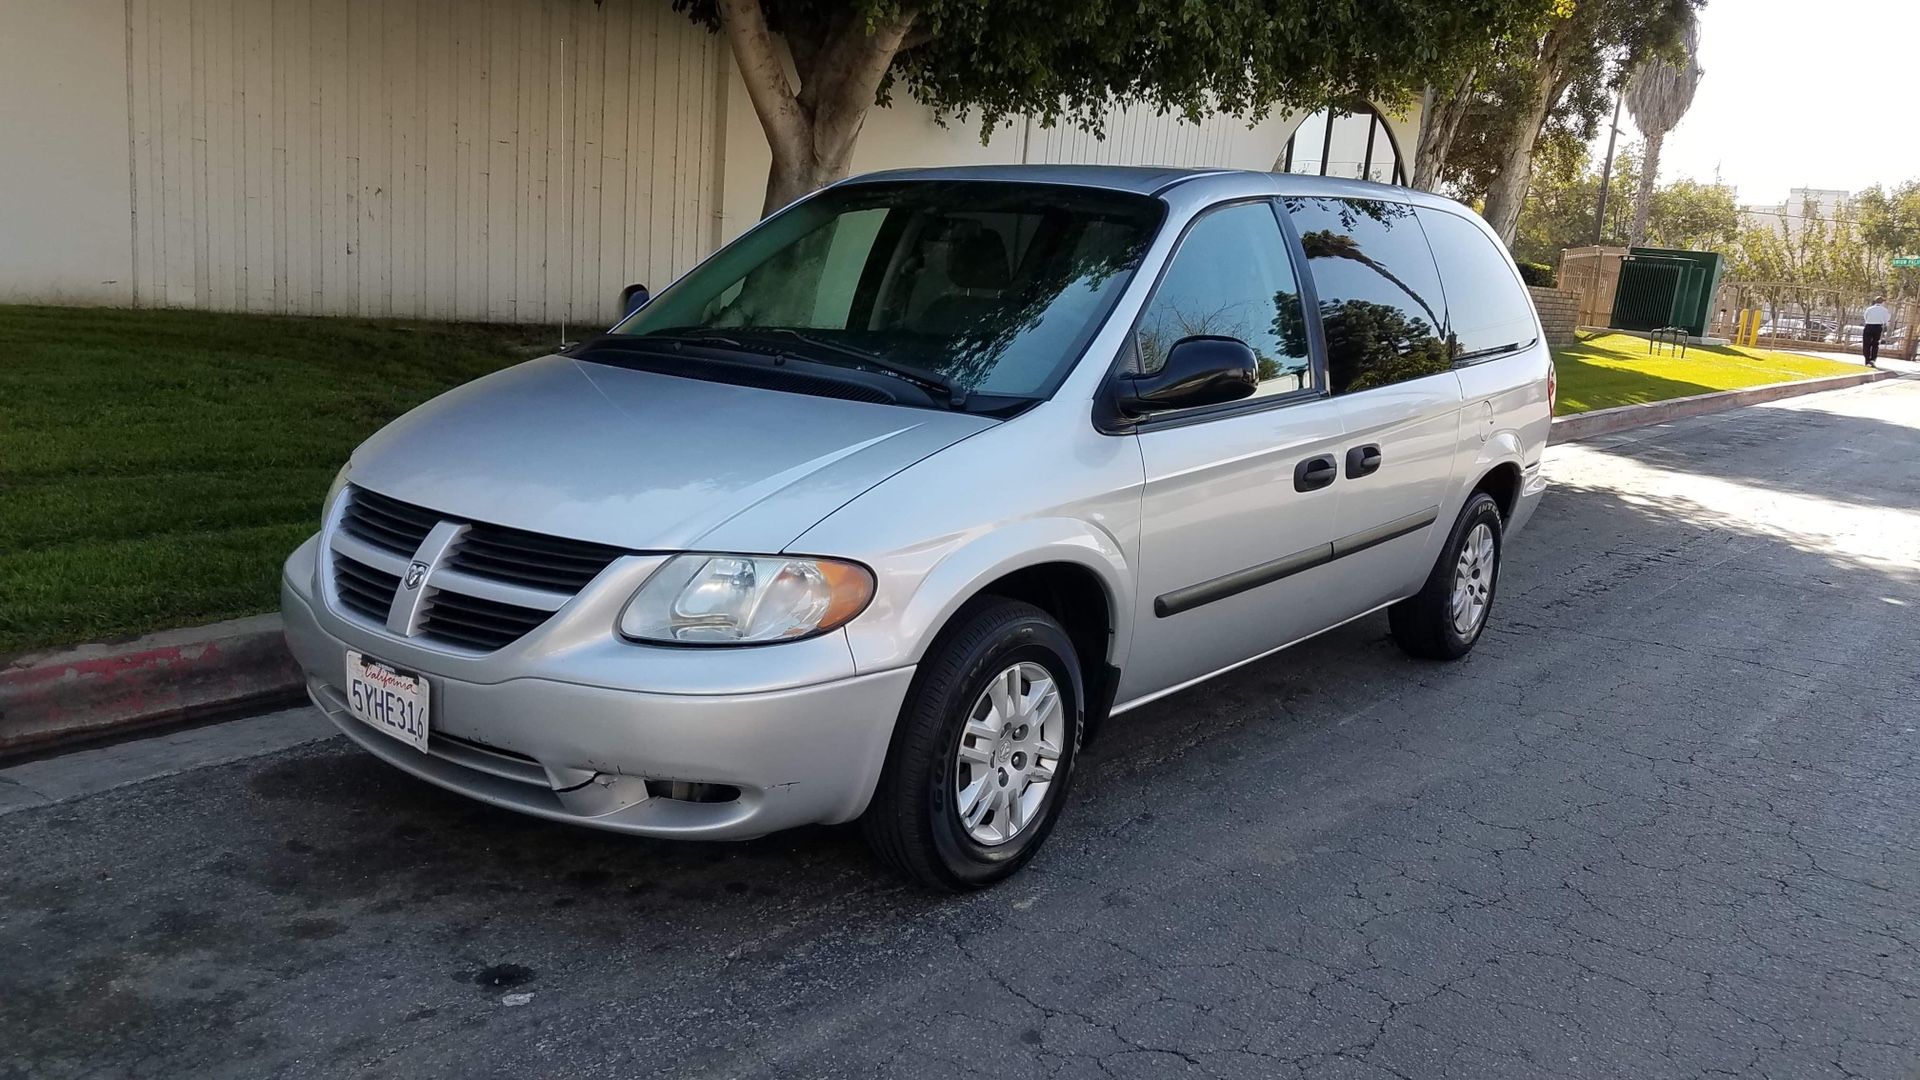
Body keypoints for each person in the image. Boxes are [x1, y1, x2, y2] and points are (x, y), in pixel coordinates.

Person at [1862, 296, 1892, 367]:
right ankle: (1873, 359)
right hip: (1878, 327)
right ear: (1882, 302)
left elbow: (1865, 317)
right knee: (1875, 344)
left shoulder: (1869, 309)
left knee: (1866, 343)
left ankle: (1867, 360)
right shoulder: (1884, 310)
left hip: (1869, 326)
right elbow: (1886, 320)